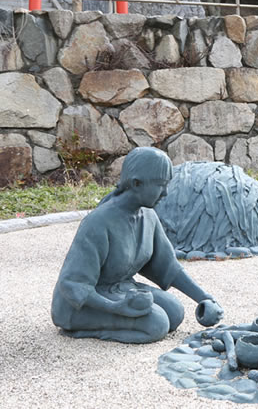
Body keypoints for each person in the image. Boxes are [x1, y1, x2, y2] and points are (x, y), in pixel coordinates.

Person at [51, 147, 224, 343]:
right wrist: (116, 308)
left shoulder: (148, 216)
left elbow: (168, 267)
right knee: (157, 324)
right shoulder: (98, 223)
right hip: (81, 305)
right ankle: (86, 331)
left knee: (175, 311)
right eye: (160, 185)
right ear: (136, 183)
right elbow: (73, 284)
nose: (165, 192)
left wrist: (203, 298)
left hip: (122, 289)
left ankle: (124, 318)